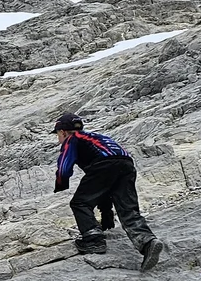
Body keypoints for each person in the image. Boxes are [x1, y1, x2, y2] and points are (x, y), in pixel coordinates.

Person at [52, 112, 163, 269]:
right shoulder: (97, 137)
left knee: (79, 202)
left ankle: (93, 240)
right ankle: (148, 242)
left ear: (62, 132)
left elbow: (64, 167)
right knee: (128, 210)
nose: (58, 139)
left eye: (57, 135)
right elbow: (104, 186)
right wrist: (106, 212)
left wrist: (60, 184)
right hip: (126, 164)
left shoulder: (71, 139)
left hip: (103, 165)